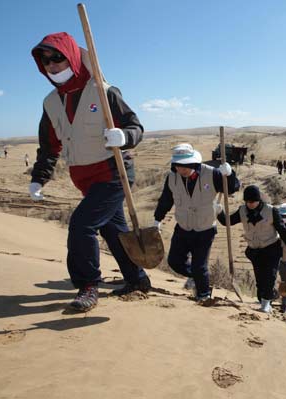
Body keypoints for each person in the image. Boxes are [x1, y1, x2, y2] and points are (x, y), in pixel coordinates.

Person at [29, 32, 149, 312]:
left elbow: (135, 126)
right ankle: (137, 278)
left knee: (82, 225)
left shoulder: (103, 91)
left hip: (112, 174)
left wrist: (124, 136)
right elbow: (49, 146)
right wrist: (39, 178)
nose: (52, 65)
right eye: (45, 60)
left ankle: (88, 285)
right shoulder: (51, 102)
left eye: (57, 57)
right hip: (84, 180)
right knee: (116, 232)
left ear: (71, 57)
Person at [153, 143, 240, 302]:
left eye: (185, 165)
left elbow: (233, 188)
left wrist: (230, 174)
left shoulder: (211, 174)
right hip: (183, 228)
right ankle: (196, 277)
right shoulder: (172, 178)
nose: (182, 169)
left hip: (205, 229)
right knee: (174, 261)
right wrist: (157, 219)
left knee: (200, 266)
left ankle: (204, 295)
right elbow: (166, 200)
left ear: (193, 162)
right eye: (178, 165)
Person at [218, 185, 286, 313]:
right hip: (255, 251)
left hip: (271, 249)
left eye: (253, 202)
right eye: (247, 202)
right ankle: (267, 298)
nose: (250, 204)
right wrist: (219, 212)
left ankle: (266, 304)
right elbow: (228, 222)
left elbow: (282, 231)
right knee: (260, 281)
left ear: (259, 200)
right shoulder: (242, 211)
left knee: (270, 277)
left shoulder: (271, 211)